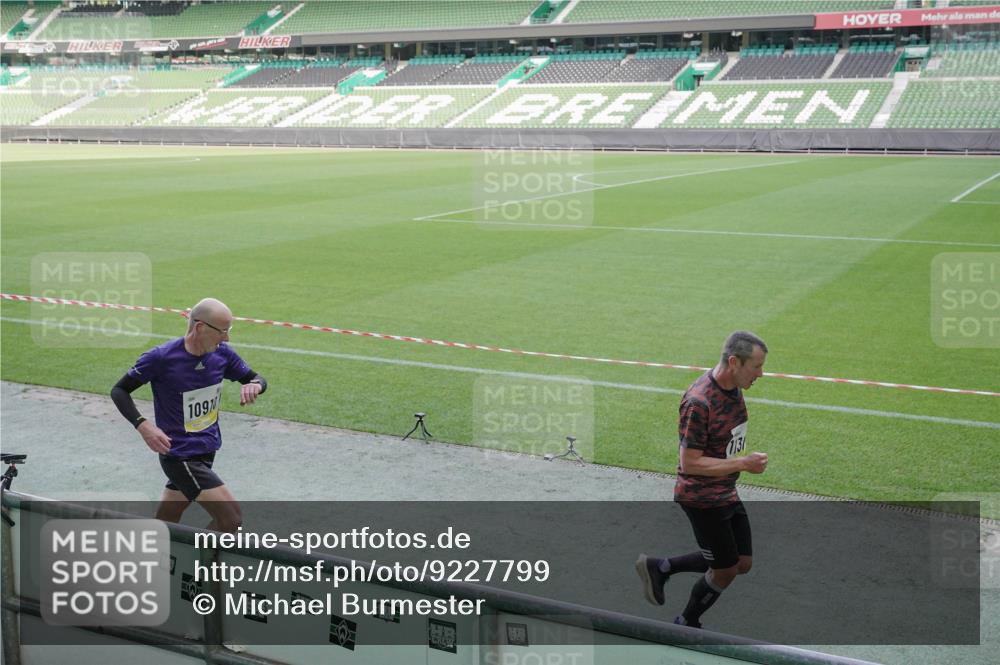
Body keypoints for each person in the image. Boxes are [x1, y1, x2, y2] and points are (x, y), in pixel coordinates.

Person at [635, 330, 769, 628]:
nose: (761, 373)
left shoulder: (733, 386)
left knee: (741, 562)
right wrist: (743, 464)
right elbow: (690, 462)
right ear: (734, 362)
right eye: (756, 366)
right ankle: (686, 622)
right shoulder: (699, 402)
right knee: (726, 570)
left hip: (725, 490)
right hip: (702, 498)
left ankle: (661, 567)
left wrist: (737, 465)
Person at [111, 298, 267, 532]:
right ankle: (202, 567)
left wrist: (255, 385)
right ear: (200, 327)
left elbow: (257, 378)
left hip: (208, 449)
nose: (227, 338)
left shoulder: (222, 355)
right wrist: (143, 426)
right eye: (223, 331)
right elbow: (119, 390)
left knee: (168, 517)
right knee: (231, 518)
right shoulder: (161, 357)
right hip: (180, 455)